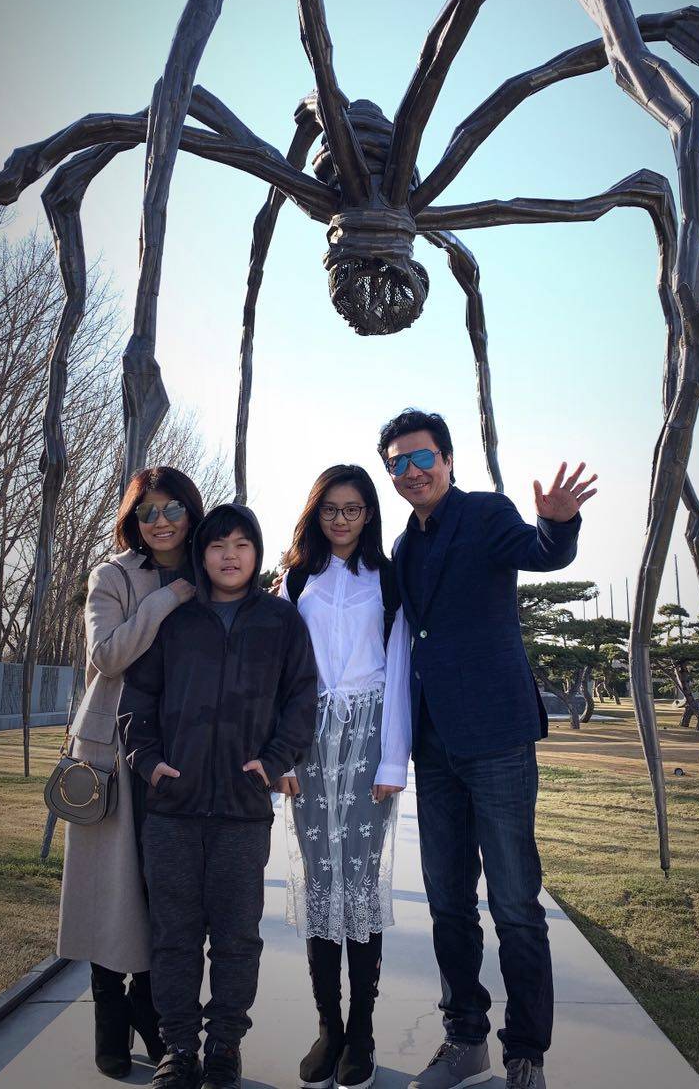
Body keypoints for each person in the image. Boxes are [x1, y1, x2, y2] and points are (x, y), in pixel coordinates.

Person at [378, 409, 597, 1089]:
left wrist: (557, 523)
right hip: (434, 744)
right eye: (399, 464)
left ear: (447, 460)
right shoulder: (405, 548)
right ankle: (463, 1038)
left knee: (514, 903)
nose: (412, 472)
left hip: (497, 738)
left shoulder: (486, 514)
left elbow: (542, 553)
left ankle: (525, 1053)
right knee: (447, 899)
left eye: (423, 459)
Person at [119, 502, 318, 1089]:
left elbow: (301, 701)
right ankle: (178, 1048)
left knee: (236, 939)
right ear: (201, 554)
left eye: (242, 545)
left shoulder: (281, 622)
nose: (229, 556)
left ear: (256, 554)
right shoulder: (175, 620)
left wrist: (275, 762)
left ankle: (225, 1046)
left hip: (242, 812)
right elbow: (138, 700)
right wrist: (150, 765)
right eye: (216, 545)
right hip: (173, 812)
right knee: (174, 937)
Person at [57, 465, 205, 1079]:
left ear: (191, 513)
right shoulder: (113, 575)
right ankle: (108, 1020)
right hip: (111, 749)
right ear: (133, 520)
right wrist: (170, 597)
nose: (162, 520)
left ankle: (150, 1009)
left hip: (179, 746)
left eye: (173, 508)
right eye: (148, 511)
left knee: (157, 887)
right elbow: (107, 655)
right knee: (107, 889)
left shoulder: (210, 570)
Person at [277, 465, 411, 1089]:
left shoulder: (386, 580)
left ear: (368, 514)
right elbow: (279, 675)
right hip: (308, 746)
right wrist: (279, 756)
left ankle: (363, 1029)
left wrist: (392, 761)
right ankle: (329, 1027)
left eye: (353, 508)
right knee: (319, 880)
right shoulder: (296, 579)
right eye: (330, 508)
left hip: (367, 741)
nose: (341, 519)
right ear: (316, 512)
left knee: (358, 883)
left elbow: (401, 671)